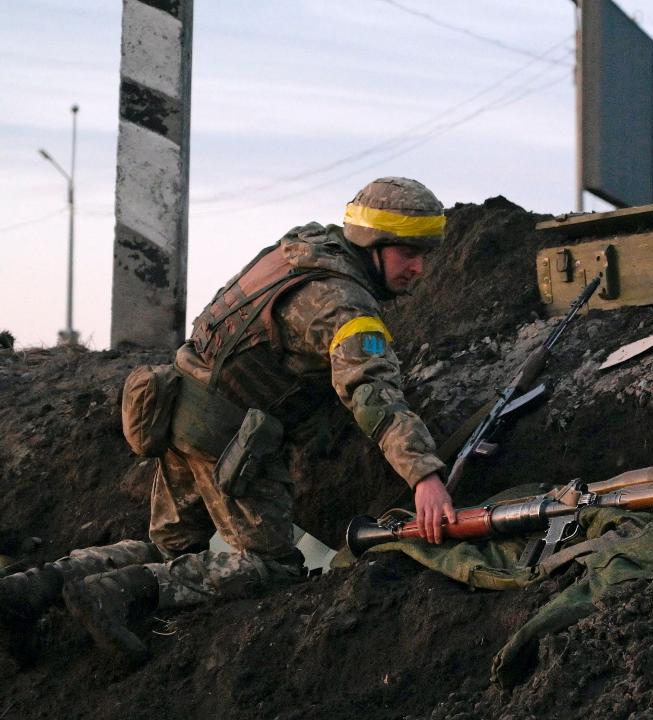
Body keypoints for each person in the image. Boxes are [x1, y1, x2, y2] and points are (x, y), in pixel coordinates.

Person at [0, 176, 456, 668]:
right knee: (271, 566)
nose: (418, 269)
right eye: (408, 253)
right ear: (373, 243)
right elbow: (374, 395)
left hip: (176, 405)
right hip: (228, 439)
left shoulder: (299, 248)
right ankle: (116, 593)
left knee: (170, 546)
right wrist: (425, 477)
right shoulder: (344, 306)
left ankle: (26, 591)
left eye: (424, 255)